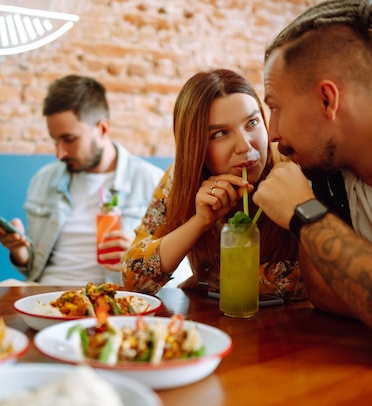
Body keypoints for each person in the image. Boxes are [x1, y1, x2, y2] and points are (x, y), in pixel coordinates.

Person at [253, 0, 372, 357]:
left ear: (328, 100)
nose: (274, 133)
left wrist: (305, 214)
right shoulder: (326, 167)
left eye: (275, 107)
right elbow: (322, 289)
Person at [122, 69, 304, 300]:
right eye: (220, 133)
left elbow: (304, 281)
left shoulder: (294, 165)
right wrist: (200, 222)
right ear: (196, 147)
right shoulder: (179, 179)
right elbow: (134, 280)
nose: (244, 146)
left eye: (252, 122)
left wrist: (208, 279)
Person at [0, 74, 163, 286]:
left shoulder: (153, 183)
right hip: (44, 293)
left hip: (114, 295)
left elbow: (175, 273)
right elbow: (32, 267)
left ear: (102, 129)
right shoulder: (43, 180)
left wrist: (138, 260)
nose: (60, 153)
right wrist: (20, 250)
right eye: (55, 140)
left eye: (69, 139)